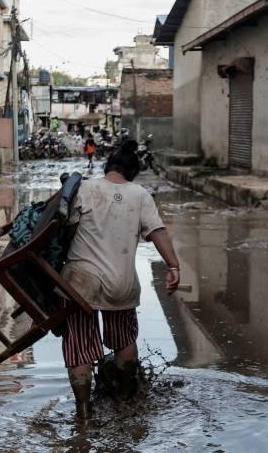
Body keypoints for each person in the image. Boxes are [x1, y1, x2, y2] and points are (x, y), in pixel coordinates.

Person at [61, 140, 180, 419]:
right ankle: (126, 400)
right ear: (132, 173)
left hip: (80, 280)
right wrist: (173, 266)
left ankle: (84, 412)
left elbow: (65, 231)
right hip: (121, 283)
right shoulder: (140, 194)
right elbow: (157, 231)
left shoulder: (86, 188)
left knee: (79, 345)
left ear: (107, 167)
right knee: (124, 339)